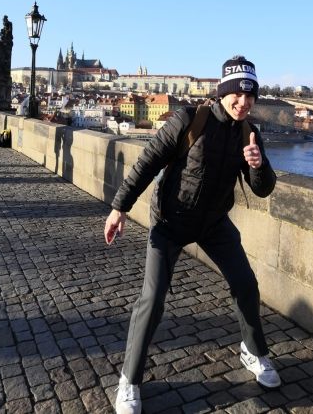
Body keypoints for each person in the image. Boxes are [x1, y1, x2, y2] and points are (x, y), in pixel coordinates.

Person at [104, 56, 281, 414]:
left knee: (246, 284)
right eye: (237, 95)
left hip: (214, 223)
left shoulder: (250, 133)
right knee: (152, 300)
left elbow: (263, 189)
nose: (243, 103)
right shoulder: (189, 119)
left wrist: (257, 165)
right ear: (223, 93)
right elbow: (147, 163)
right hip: (171, 221)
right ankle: (130, 379)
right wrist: (119, 208)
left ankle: (253, 350)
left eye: (250, 97)